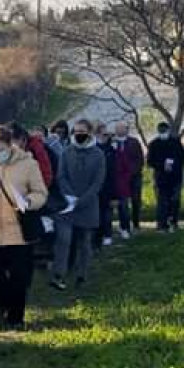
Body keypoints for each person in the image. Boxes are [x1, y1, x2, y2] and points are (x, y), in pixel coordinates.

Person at [0, 125, 48, 329]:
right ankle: (4, 302)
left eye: (0, 149)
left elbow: (41, 193)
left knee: (19, 277)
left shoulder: (28, 164)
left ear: (9, 145)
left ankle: (16, 317)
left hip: (19, 231)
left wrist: (28, 202)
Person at [49, 118, 106, 290]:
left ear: (89, 133)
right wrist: (70, 196)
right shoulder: (66, 152)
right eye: (76, 131)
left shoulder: (98, 154)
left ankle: (82, 275)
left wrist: (83, 200)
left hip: (88, 204)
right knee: (63, 239)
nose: (79, 134)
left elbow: (98, 182)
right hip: (67, 204)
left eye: (82, 131)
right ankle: (59, 274)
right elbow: (61, 176)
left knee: (85, 241)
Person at [148, 122, 184, 233]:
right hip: (161, 178)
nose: (163, 133)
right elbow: (150, 161)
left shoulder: (175, 142)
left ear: (168, 130)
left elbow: (183, 158)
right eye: (161, 131)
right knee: (162, 202)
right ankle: (162, 225)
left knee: (175, 200)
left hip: (175, 177)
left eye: (164, 131)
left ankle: (174, 222)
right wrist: (162, 165)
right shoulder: (154, 144)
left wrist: (173, 165)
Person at [115, 121, 145, 235]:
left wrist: (133, 171)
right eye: (117, 128)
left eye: (121, 128)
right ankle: (124, 226)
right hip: (120, 178)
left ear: (127, 129)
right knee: (122, 203)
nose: (119, 130)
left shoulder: (134, 142)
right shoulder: (113, 142)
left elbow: (140, 159)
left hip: (134, 177)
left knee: (136, 201)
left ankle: (136, 223)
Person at [94, 123, 118, 249]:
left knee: (107, 213)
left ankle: (107, 235)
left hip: (108, 187)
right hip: (95, 188)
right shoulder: (93, 149)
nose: (106, 137)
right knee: (97, 215)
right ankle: (97, 239)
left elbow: (114, 171)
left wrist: (115, 195)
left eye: (107, 135)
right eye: (103, 134)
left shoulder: (111, 150)